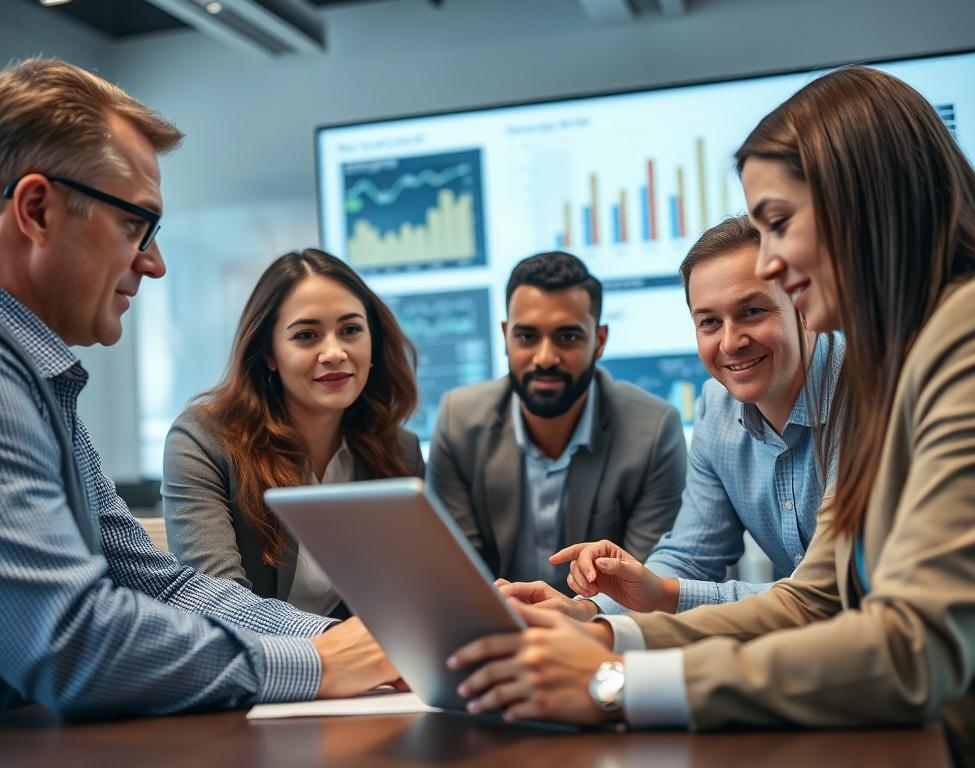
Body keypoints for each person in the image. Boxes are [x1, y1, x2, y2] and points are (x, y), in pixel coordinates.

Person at [448, 67, 975, 767]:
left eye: (778, 225)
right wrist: (605, 637)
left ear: (862, 201)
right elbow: (811, 601)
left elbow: (909, 650)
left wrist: (616, 684)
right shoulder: (897, 360)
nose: (774, 263)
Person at [0, 58, 397, 718]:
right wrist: (317, 662)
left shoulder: (44, 388)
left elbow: (159, 585)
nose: (154, 263)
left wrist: (354, 646)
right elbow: (68, 642)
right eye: (136, 224)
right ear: (37, 210)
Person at [500, 215, 842, 620]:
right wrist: (588, 610)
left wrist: (665, 593)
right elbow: (691, 557)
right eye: (710, 322)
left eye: (752, 311)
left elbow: (832, 591)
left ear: (804, 306)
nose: (730, 342)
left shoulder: (869, 394)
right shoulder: (717, 406)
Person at [163, 249, 423, 618]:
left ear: (373, 341)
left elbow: (407, 597)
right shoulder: (203, 441)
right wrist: (333, 642)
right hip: (261, 667)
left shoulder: (401, 451)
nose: (334, 352)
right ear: (269, 354)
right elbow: (218, 605)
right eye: (306, 335)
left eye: (350, 330)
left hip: (370, 671)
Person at [427, 251, 686, 590]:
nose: (545, 357)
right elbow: (458, 574)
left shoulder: (654, 431)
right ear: (506, 336)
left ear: (600, 341)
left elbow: (644, 584)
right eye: (526, 336)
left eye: (567, 337)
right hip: (493, 626)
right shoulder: (457, 422)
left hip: (601, 629)